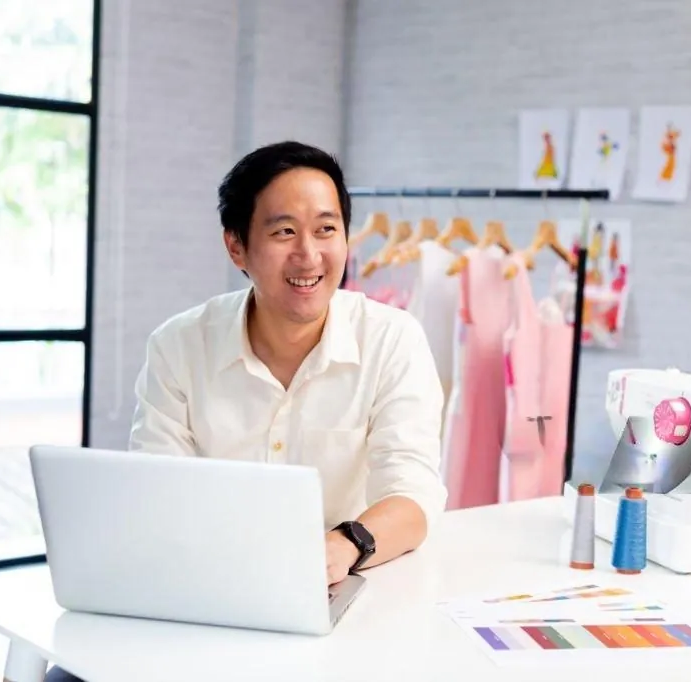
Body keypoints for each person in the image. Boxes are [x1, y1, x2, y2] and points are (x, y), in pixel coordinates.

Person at [44, 143, 447, 681]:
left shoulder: (393, 341)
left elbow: (413, 495)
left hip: (333, 597)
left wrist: (344, 543)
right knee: (60, 672)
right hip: (202, 594)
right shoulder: (179, 345)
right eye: (284, 232)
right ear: (237, 247)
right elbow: (158, 488)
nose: (309, 255)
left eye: (326, 230)